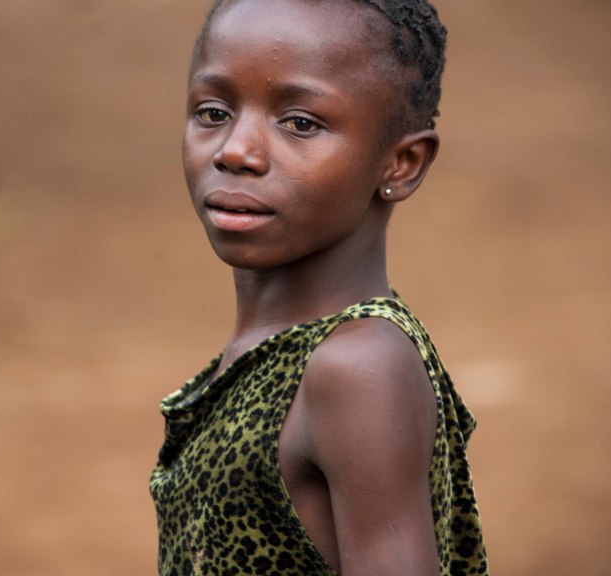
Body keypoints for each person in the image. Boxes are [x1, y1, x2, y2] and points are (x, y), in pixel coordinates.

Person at [148, 0, 488, 574]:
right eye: (213, 112)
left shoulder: (354, 369)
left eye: (300, 123)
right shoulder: (286, 350)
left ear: (402, 163)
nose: (235, 150)